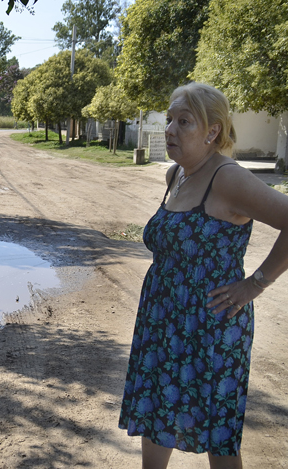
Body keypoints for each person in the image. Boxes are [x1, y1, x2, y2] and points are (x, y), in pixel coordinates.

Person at [118, 82, 288, 468]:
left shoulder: (227, 178)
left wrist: (256, 283)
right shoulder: (175, 175)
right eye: (169, 120)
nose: (170, 130)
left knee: (217, 433)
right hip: (163, 322)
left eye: (184, 122)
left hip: (211, 326)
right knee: (156, 413)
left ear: (212, 131)